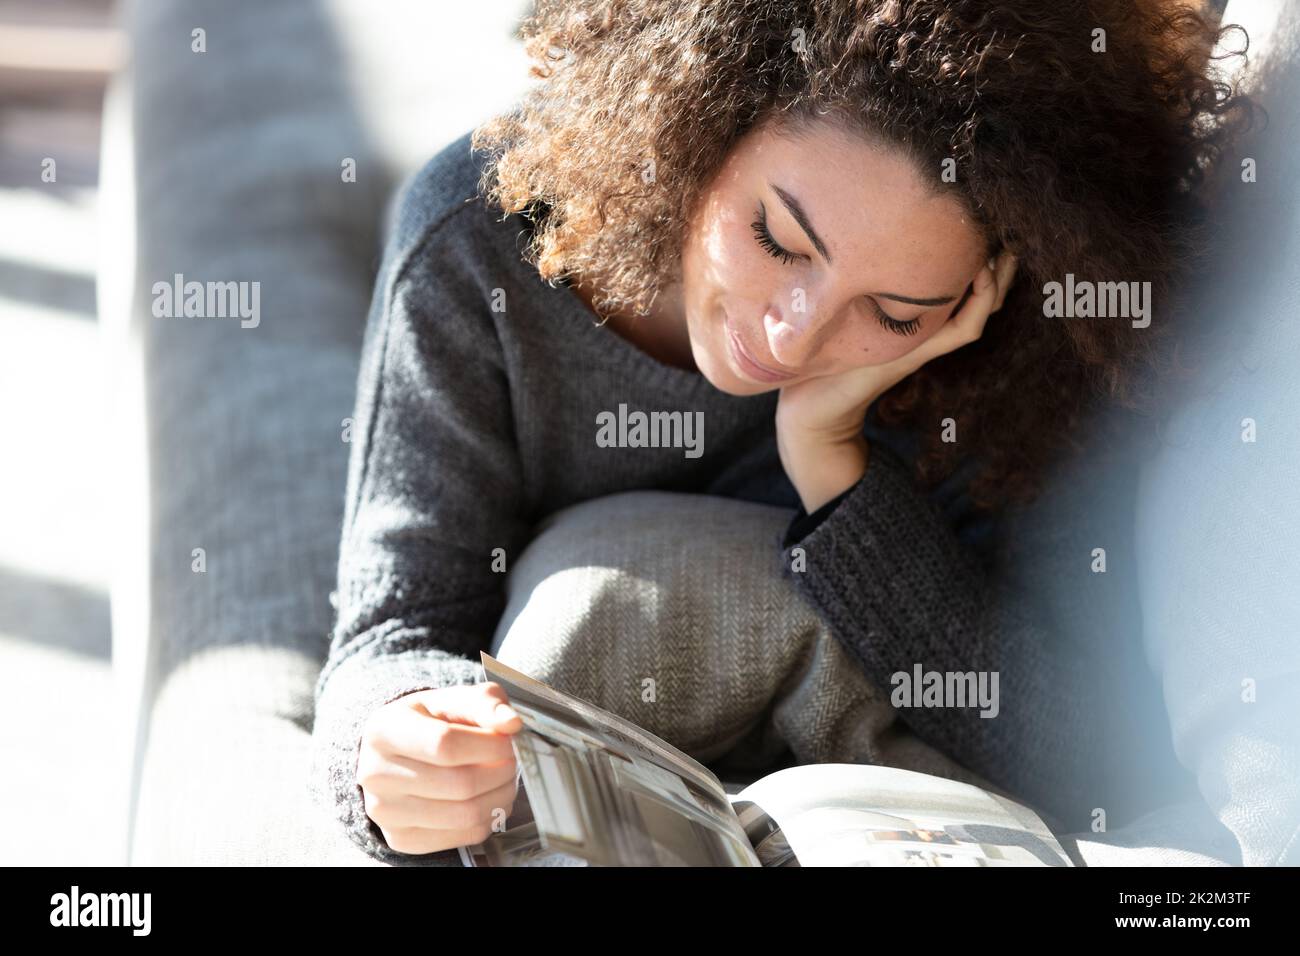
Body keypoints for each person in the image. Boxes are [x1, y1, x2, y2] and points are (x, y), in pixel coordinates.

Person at [310, 0, 1255, 863]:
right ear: (699, 119)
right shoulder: (478, 248)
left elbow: (1085, 752)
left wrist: (835, 470)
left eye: (891, 311)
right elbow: (397, 629)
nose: (791, 334)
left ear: (989, 287)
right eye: (776, 240)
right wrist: (393, 750)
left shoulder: (1012, 365)